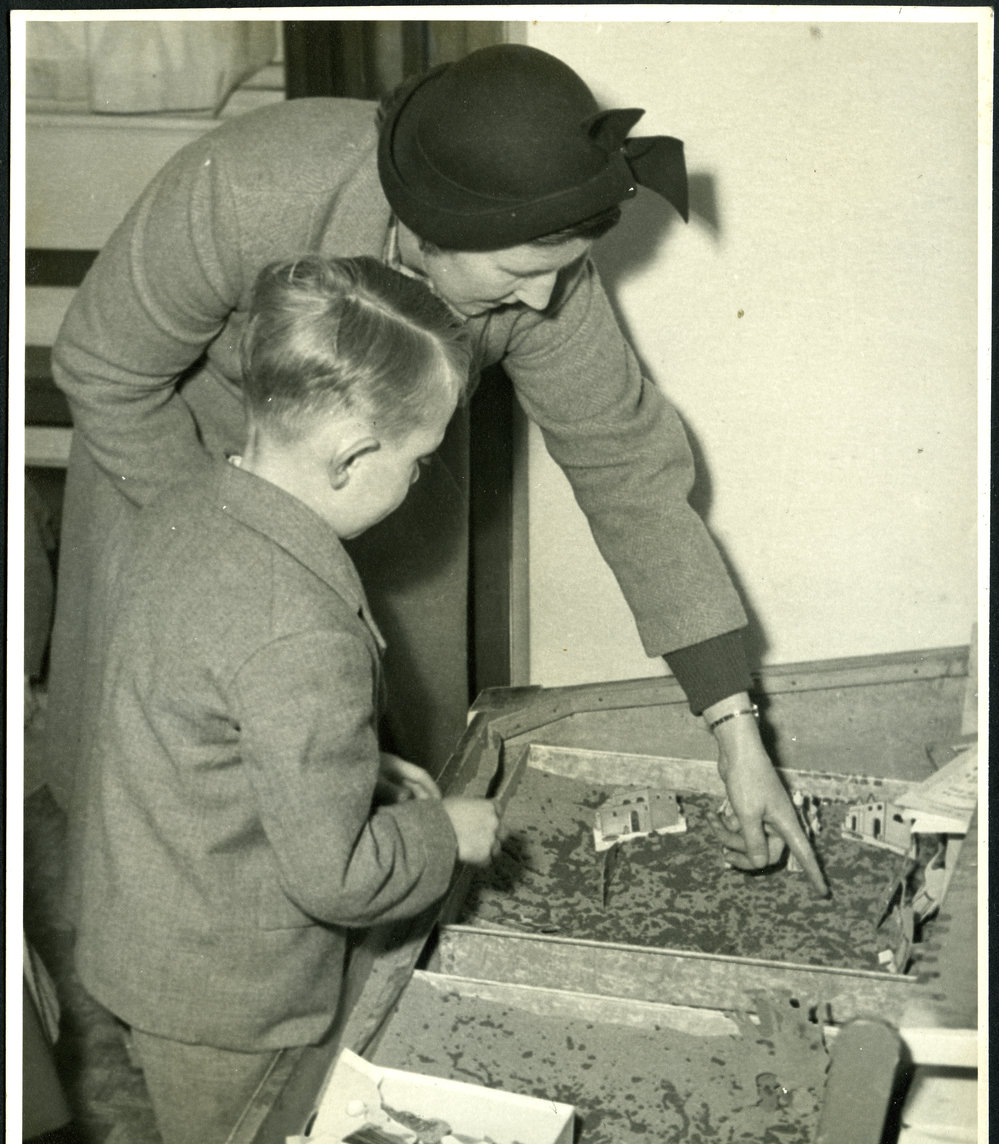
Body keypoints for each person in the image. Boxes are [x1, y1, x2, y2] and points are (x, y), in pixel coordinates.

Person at [48, 41, 819, 884]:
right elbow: (104, 368)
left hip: (386, 477)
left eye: (559, 275)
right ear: (424, 235)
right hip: (172, 455)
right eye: (520, 277)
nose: (542, 302)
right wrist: (255, 557)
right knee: (164, 793)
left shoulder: (539, 262)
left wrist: (733, 730)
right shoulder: (249, 181)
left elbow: (627, 468)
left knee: (389, 779)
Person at [71, 255, 500, 1144]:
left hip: (154, 923)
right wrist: (444, 832)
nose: (423, 476)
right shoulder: (299, 625)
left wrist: (357, 760)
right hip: (233, 990)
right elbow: (340, 876)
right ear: (350, 456)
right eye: (419, 457)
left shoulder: (189, 504)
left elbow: (199, 712)